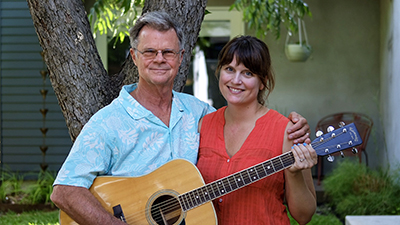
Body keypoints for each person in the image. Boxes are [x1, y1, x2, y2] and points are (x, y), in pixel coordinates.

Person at [50, 12, 310, 225]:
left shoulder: (200, 114)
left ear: (181, 57)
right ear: (134, 57)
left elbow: (245, 120)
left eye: (168, 52)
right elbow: (64, 191)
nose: (159, 59)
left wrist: (294, 126)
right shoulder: (107, 122)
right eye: (150, 51)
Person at [196, 36, 317, 225]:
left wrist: (294, 174)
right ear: (219, 72)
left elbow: (304, 215)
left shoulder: (288, 131)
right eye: (230, 69)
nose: (236, 80)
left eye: (248, 73)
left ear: (262, 82)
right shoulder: (203, 125)